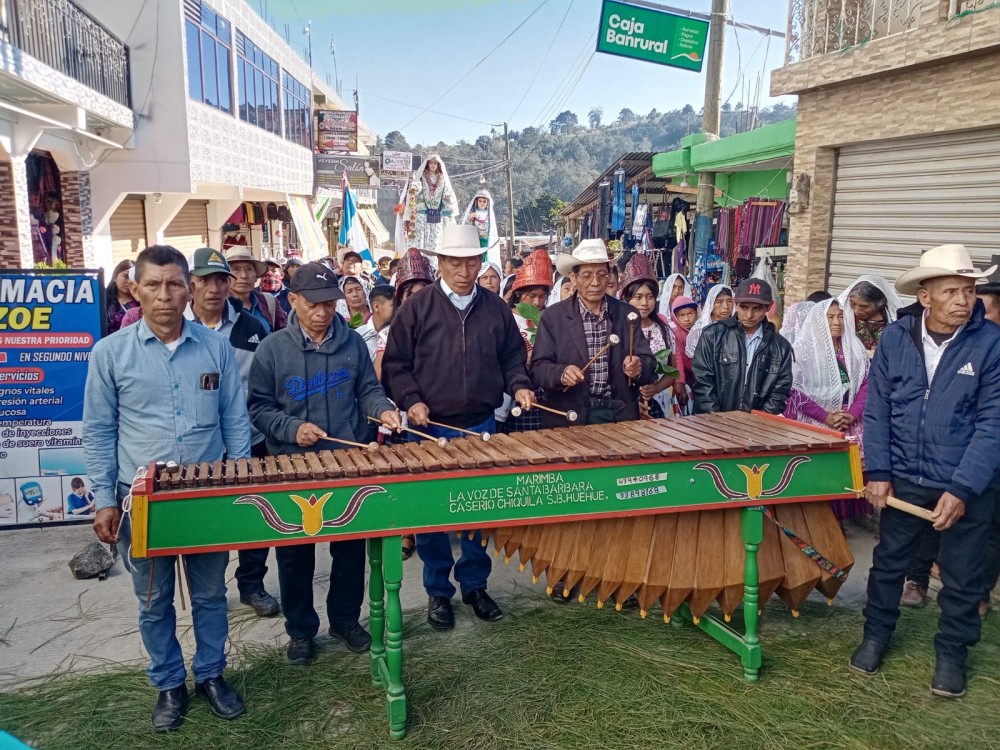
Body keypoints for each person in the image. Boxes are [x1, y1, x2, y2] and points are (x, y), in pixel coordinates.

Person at [84, 245, 250, 732]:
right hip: (142, 501)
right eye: (153, 285)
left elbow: (234, 419)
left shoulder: (216, 348)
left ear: (189, 289)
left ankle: (211, 675)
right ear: (134, 289)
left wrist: (239, 481)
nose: (164, 295)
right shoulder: (110, 353)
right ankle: (169, 683)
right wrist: (104, 499)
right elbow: (99, 431)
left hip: (205, 495)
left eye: (175, 284)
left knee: (210, 594)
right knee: (153, 600)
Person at [852, 244, 1000, 699]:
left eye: (969, 290)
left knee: (963, 573)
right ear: (925, 297)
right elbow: (877, 409)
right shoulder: (896, 339)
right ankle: (875, 636)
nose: (963, 300)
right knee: (889, 564)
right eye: (951, 291)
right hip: (904, 476)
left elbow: (993, 422)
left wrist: (963, 488)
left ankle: (952, 655)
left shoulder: (990, 343)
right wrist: (879, 470)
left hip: (964, 482)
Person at [382, 225, 536, 631]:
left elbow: (512, 359)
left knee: (477, 511)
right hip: (428, 429)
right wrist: (411, 399)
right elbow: (395, 365)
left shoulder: (496, 308)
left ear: (479, 262)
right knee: (431, 515)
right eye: (455, 263)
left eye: (471, 262)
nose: (464, 271)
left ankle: (475, 585)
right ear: (440, 263)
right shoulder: (416, 309)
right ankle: (437, 591)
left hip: (481, 424)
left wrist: (519, 385)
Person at [247, 262, 401, 666]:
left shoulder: (353, 344)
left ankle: (345, 621)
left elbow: (368, 390)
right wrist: (291, 428)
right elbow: (258, 408)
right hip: (292, 463)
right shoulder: (272, 349)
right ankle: (300, 631)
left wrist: (383, 410)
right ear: (292, 300)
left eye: (329, 304)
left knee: (349, 548)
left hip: (347, 459)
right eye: (312, 304)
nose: (321, 312)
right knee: (295, 553)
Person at [185, 248, 278, 619]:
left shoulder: (252, 327)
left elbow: (268, 383)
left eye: (220, 280)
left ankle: (252, 585)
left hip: (251, 439)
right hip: (199, 447)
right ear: (191, 285)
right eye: (204, 280)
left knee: (255, 515)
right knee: (207, 519)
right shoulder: (178, 328)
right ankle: (208, 590)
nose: (213, 288)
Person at [530, 239, 656, 426]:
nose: (595, 282)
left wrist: (638, 368)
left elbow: (648, 363)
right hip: (570, 416)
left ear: (609, 276)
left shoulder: (627, 314)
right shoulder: (553, 317)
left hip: (619, 414)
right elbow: (538, 368)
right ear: (573, 278)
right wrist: (561, 373)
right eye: (587, 275)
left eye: (602, 275)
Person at [785, 299, 871, 520]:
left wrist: (852, 414)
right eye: (830, 317)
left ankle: (844, 521)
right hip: (816, 422)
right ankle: (820, 521)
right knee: (820, 475)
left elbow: (867, 382)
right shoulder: (802, 350)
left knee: (848, 476)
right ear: (817, 320)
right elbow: (793, 390)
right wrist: (825, 416)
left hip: (849, 420)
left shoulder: (855, 348)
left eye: (840, 316)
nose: (836, 322)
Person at [691, 278, 793, 415]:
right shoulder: (712, 335)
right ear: (736, 304)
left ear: (768, 307)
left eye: (757, 308)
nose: (749, 315)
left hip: (757, 424)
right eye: (744, 307)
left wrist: (757, 420)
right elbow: (703, 382)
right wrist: (718, 419)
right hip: (713, 421)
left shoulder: (781, 347)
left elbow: (780, 391)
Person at [618, 254, 677, 418]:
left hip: (656, 402)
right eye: (638, 297)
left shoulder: (664, 330)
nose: (644, 303)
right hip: (624, 404)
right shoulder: (618, 330)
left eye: (650, 297)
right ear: (627, 298)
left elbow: (672, 372)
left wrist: (655, 388)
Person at [401, 155, 458, 256]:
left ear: (438, 165)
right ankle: (420, 260)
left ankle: (434, 262)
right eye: (431, 163)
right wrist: (414, 188)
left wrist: (448, 197)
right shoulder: (422, 176)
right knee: (421, 239)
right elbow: (417, 185)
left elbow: (447, 191)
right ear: (427, 164)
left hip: (437, 215)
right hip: (423, 214)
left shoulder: (442, 178)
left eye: (435, 163)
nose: (433, 165)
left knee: (435, 240)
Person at [225, 247, 287, 334]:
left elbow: (284, 334)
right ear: (226, 277)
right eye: (236, 269)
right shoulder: (218, 306)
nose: (244, 276)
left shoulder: (268, 302)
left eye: (249, 269)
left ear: (256, 276)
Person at [838, 275, 901, 356]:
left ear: (879, 304)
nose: (857, 310)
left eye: (864, 306)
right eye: (853, 304)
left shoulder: (893, 319)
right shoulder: (846, 318)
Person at [685, 284, 734, 360]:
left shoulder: (737, 326)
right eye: (719, 302)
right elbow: (695, 358)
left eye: (729, 301)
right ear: (711, 304)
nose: (725, 306)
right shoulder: (700, 328)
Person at [461, 189, 501, 268]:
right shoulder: (472, 213)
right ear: (476, 202)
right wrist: (471, 217)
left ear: (487, 203)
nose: (482, 203)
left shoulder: (489, 215)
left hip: (485, 241)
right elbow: (466, 225)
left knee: (484, 259)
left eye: (484, 201)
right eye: (480, 201)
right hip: (475, 241)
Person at [670, 296, 698, 399]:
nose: (686, 319)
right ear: (675, 317)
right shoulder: (676, 333)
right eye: (681, 315)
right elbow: (681, 358)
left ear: (696, 313)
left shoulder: (699, 329)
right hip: (688, 375)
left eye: (690, 314)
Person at [356, 285, 395, 360]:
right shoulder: (359, 336)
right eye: (393, 305)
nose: (399, 308)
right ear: (376, 306)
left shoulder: (401, 332)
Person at [106, 259, 139, 334]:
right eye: (126, 276)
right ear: (115, 277)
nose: (129, 281)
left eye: (132, 277)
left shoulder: (143, 301)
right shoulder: (103, 301)